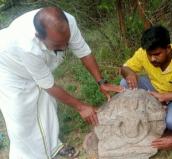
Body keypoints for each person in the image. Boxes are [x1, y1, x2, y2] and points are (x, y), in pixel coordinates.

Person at [0, 7, 122, 159]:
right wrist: (81, 107)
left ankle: (53, 148)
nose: (64, 47)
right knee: (20, 116)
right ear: (39, 37)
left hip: (34, 65)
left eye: (66, 41)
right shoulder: (26, 45)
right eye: (58, 44)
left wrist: (101, 82)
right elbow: (48, 85)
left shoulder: (67, 22)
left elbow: (83, 51)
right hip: (9, 68)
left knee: (46, 106)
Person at [120, 25, 172, 131]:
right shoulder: (143, 52)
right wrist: (129, 73)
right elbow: (124, 68)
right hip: (154, 90)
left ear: (168, 49)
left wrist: (164, 97)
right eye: (149, 55)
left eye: (157, 54)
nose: (152, 59)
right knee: (125, 83)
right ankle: (151, 109)